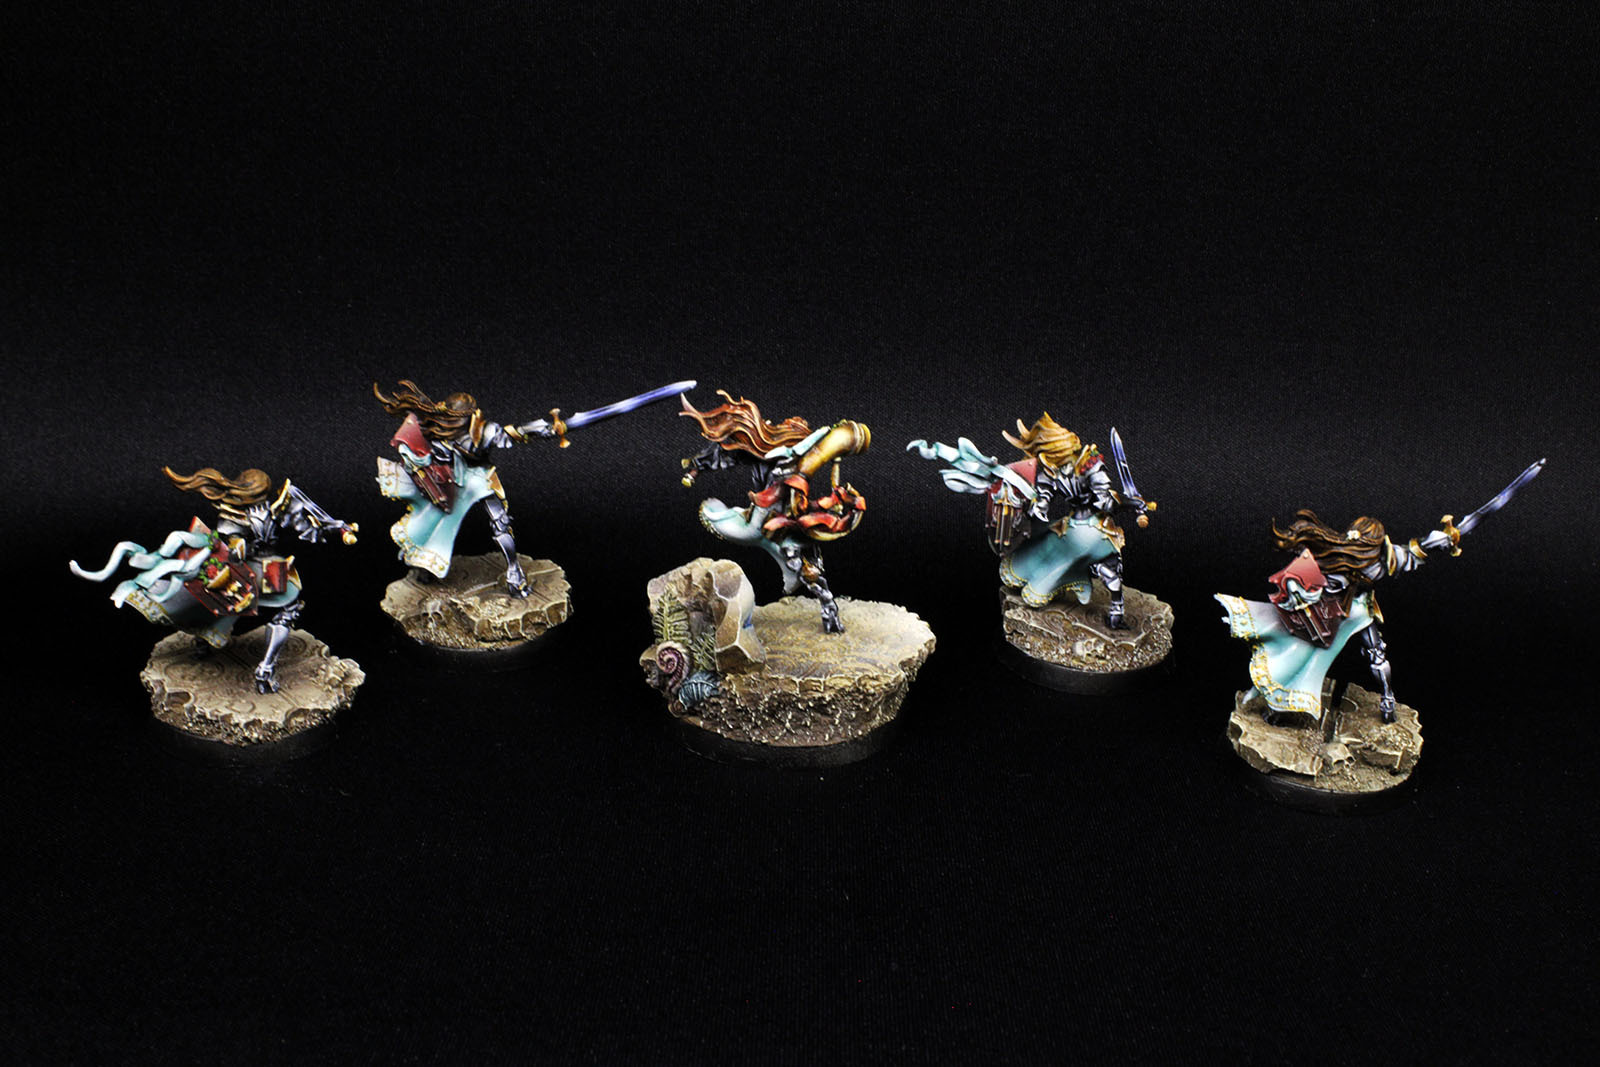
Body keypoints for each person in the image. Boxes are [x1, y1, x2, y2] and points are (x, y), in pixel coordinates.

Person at [70, 466, 357, 693]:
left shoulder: (268, 507)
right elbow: (232, 541)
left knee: (228, 604)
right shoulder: (240, 515)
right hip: (258, 569)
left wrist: (338, 527)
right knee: (286, 608)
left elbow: (309, 514)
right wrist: (236, 546)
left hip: (259, 569)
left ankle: (206, 645)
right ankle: (265, 668)